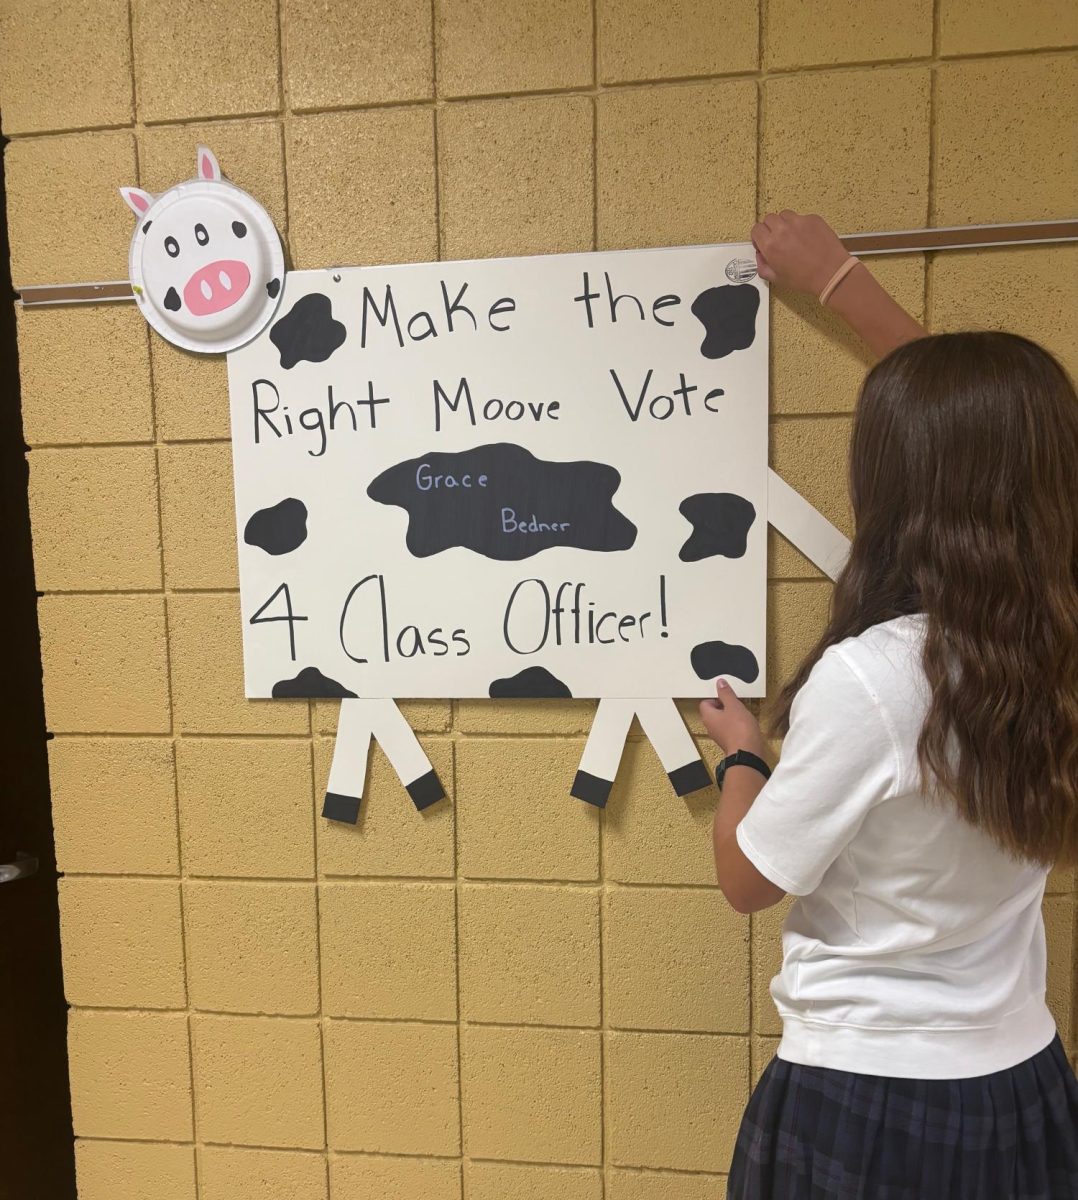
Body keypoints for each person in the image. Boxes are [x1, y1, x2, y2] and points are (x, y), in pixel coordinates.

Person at [698, 211, 1078, 1199]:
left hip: (866, 1099)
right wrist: (843, 290)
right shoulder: (1059, 640)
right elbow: (998, 453)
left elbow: (748, 879)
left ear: (889, 482)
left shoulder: (874, 678)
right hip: (1021, 1082)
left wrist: (743, 758)